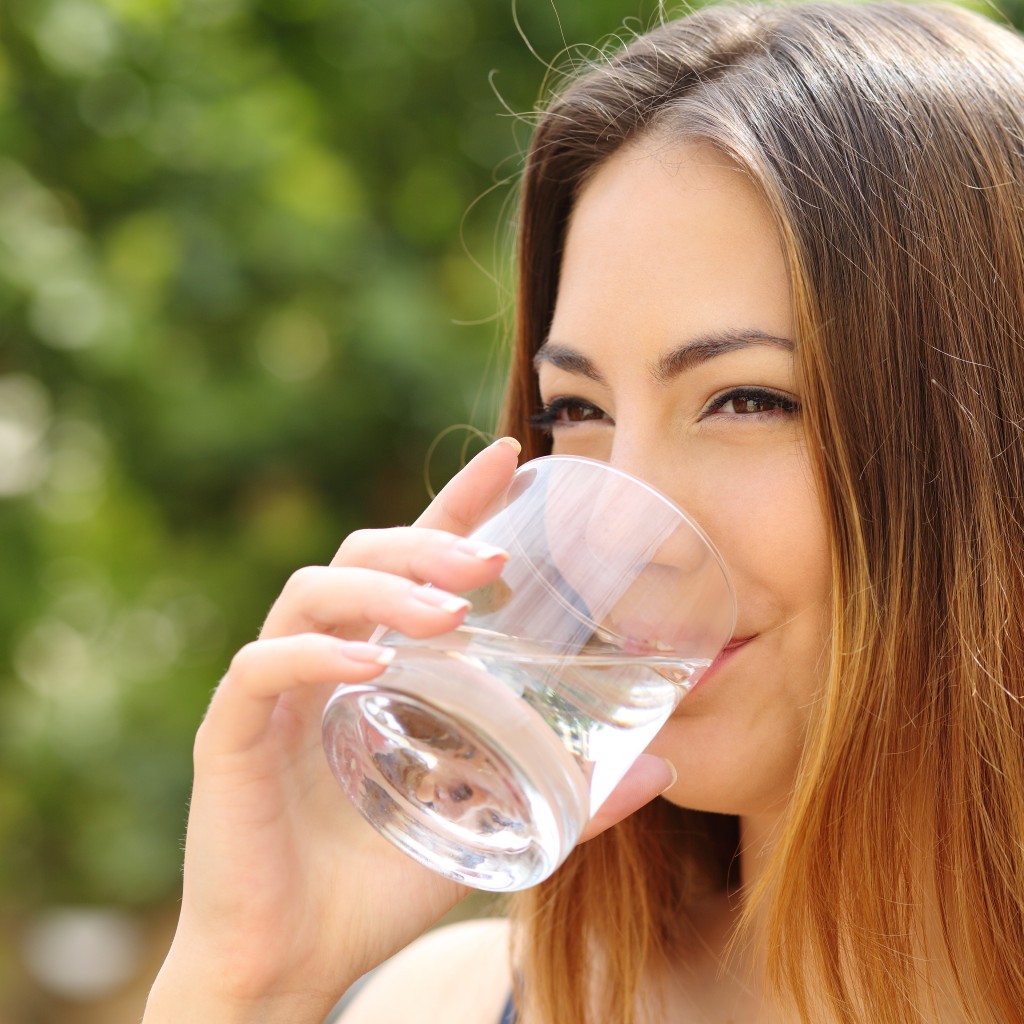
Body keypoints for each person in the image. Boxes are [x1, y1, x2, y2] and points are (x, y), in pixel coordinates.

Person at [142, 2, 1024, 1021]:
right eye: (579, 410)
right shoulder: (441, 1006)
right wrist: (252, 984)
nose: (609, 532)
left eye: (747, 399)